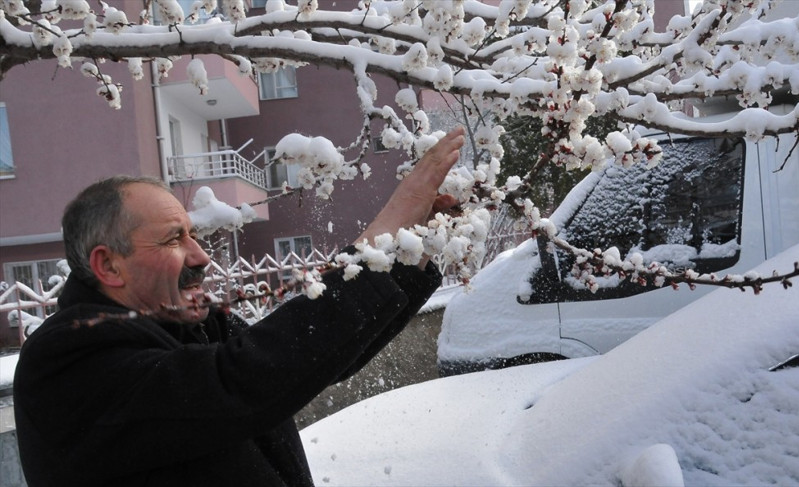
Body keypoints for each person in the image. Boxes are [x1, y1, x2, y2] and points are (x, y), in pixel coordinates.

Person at [13, 128, 466, 487]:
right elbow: (244, 380)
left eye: (192, 234)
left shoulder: (190, 324)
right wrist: (384, 232)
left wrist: (405, 253)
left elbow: (310, 359)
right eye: (174, 238)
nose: (201, 256)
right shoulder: (68, 361)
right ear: (108, 264)